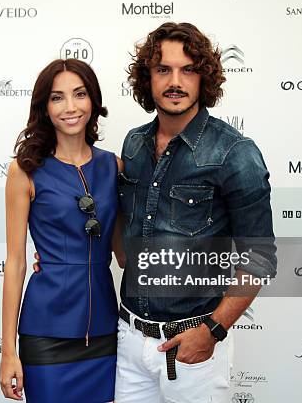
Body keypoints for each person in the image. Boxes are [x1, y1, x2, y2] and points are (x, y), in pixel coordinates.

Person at [114, 22, 277, 402]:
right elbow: (123, 238)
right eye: (163, 69)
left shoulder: (235, 153)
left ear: (204, 77)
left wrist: (212, 332)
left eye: (188, 69)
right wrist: (67, 256)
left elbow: (260, 258)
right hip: (129, 341)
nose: (176, 81)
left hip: (194, 349)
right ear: (147, 78)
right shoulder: (135, 145)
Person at [0, 58, 124, 403]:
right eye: (57, 97)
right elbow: (15, 262)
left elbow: (123, 254)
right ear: (44, 107)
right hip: (45, 332)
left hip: (103, 331)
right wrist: (8, 351)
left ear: (93, 101)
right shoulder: (24, 171)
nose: (70, 107)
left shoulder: (114, 166)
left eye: (79, 94)